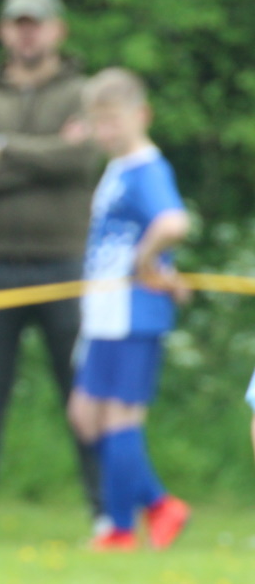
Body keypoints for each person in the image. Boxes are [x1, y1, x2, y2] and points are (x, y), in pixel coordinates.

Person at [0, 0, 101, 541]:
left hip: (66, 264)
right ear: (4, 31)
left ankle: (108, 510)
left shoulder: (85, 92)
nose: (26, 31)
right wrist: (45, 151)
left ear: (58, 29)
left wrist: (5, 146)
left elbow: (84, 157)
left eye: (36, 22)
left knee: (84, 389)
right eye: (17, 22)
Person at [68, 68, 191, 551]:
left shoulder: (146, 167)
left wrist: (145, 259)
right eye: (97, 122)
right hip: (104, 314)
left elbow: (174, 221)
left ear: (141, 115)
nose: (105, 132)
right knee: (85, 414)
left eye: (114, 120)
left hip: (131, 313)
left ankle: (121, 530)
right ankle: (160, 505)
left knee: (119, 417)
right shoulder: (118, 167)